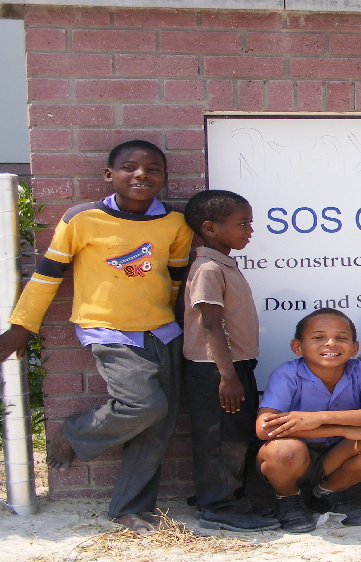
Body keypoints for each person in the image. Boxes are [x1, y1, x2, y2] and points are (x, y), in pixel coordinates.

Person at [0, 140, 192, 534]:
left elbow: (175, 281)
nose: (141, 174)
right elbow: (47, 276)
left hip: (161, 330)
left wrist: (176, 327)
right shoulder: (82, 218)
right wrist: (21, 327)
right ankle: (77, 430)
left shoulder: (174, 223)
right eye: (130, 167)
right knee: (143, 405)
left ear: (164, 178)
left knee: (159, 425)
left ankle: (130, 508)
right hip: (109, 330)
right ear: (110, 175)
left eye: (153, 169)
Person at [181, 190, 278, 532]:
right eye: (242, 224)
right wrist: (227, 376)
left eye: (249, 222)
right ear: (209, 228)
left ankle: (231, 499)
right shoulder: (207, 268)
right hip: (217, 371)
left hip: (235, 367)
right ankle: (217, 506)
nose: (249, 230)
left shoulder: (223, 264)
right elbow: (210, 323)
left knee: (235, 437)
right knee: (221, 439)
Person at [256, 309, 361, 533]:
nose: (331, 344)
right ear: (297, 347)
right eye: (318, 337)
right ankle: (287, 500)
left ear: (354, 348)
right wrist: (345, 430)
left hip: (334, 456)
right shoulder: (287, 374)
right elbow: (265, 429)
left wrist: (319, 418)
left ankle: (327, 493)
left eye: (341, 338)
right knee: (283, 451)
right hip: (293, 456)